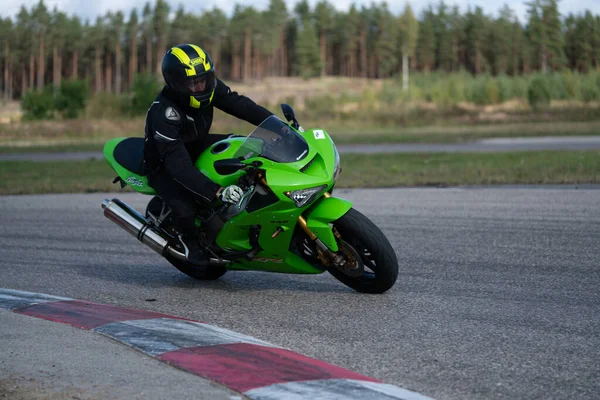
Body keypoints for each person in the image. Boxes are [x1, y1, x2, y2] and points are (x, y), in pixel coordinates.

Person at [143, 43, 273, 266]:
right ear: (175, 83)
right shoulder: (164, 114)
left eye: (204, 79)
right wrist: (217, 192)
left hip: (195, 143)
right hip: (163, 163)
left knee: (247, 146)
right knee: (185, 207)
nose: (200, 86)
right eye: (193, 83)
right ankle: (188, 243)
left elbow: (240, 105)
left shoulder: (209, 88)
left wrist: (276, 126)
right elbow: (178, 166)